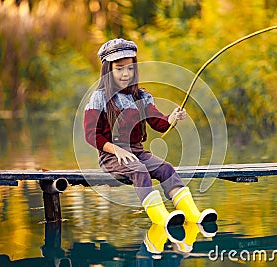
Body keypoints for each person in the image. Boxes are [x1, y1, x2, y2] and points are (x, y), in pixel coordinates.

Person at [84, 38, 217, 227]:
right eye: (119, 68)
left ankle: (193, 215)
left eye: (130, 68)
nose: (125, 73)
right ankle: (161, 218)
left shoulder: (141, 96)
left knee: (166, 169)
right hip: (112, 156)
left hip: (137, 152)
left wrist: (172, 118)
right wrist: (117, 151)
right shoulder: (100, 98)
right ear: (108, 70)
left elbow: (158, 122)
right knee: (139, 170)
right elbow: (91, 134)